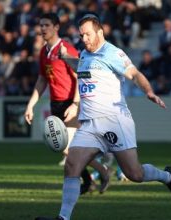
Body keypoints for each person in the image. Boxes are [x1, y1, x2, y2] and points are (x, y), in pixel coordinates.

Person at [35, 13, 171, 220]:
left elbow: (134, 74)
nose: (84, 39)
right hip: (89, 125)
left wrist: (148, 91)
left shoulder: (113, 53)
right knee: (71, 164)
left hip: (114, 122)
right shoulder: (85, 54)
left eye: (87, 35)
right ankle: (63, 218)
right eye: (81, 36)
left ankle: (168, 177)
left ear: (100, 32)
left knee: (135, 174)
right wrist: (66, 58)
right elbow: (81, 67)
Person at [24, 13, 110, 195]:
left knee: (66, 147)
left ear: (56, 27)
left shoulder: (66, 49)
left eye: (47, 25)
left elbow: (82, 76)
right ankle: (91, 178)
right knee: (68, 150)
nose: (43, 29)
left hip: (71, 103)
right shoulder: (44, 52)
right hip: (56, 104)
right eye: (41, 25)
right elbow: (42, 79)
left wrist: (76, 104)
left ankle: (99, 173)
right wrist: (31, 104)